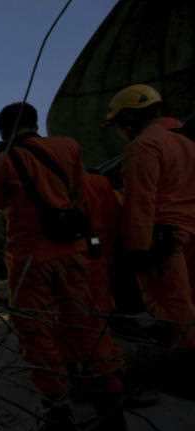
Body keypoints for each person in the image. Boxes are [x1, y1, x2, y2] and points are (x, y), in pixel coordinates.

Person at [0, 101, 127, 431]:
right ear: (34, 123)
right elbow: (78, 194)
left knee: (36, 331)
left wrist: (2, 163)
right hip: (73, 254)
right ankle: (112, 416)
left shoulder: (0, 163)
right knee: (86, 323)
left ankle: (60, 418)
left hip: (31, 259)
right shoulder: (68, 148)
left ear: (4, 131)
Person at [103, 84, 195, 350]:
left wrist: (137, 250)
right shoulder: (187, 141)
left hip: (168, 241)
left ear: (129, 119)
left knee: (174, 309)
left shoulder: (144, 146)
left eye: (120, 124)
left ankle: (187, 368)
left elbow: (140, 203)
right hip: (190, 232)